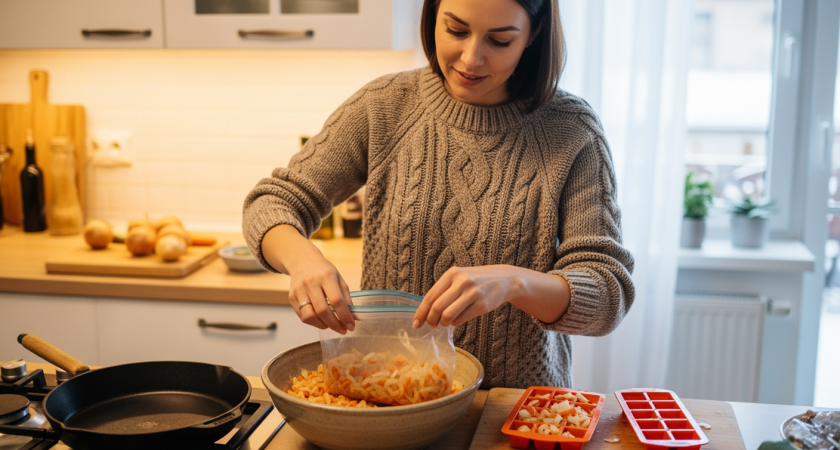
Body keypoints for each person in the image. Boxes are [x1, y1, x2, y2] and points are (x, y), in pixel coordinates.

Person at [243, 0, 635, 389]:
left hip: (514, 410)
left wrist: (515, 282)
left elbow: (607, 291)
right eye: (456, 30)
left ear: (533, 33)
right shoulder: (384, 105)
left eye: (499, 41)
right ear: (432, 16)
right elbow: (272, 203)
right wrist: (304, 261)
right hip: (387, 395)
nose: (471, 58)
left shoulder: (572, 130)